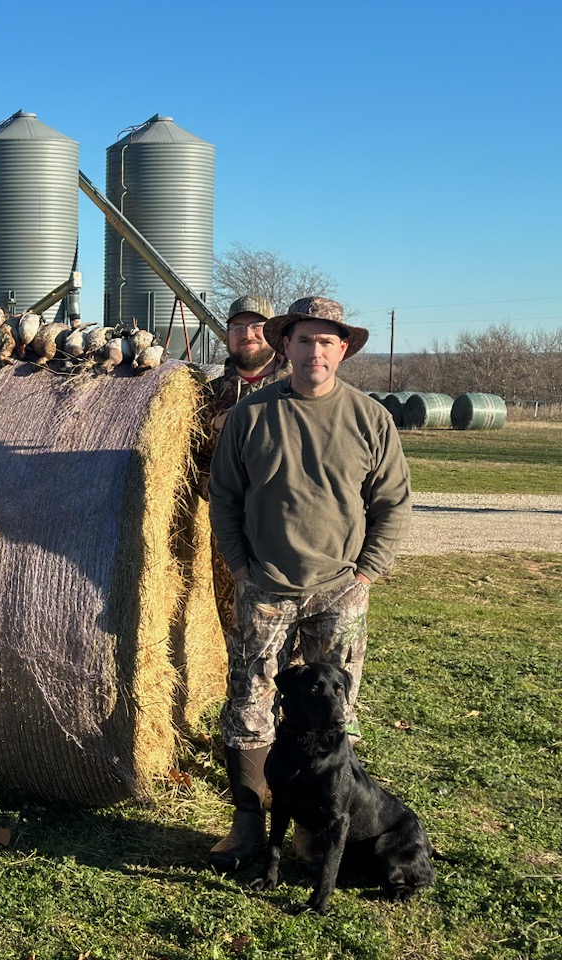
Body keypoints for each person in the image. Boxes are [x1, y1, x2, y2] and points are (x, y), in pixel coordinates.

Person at [207, 296, 411, 873]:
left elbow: (392, 503)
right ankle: (247, 827)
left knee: (332, 711)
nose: (314, 351)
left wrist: (366, 572)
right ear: (284, 346)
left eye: (326, 341)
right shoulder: (251, 416)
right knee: (250, 703)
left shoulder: (370, 419)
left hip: (339, 589)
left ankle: (318, 832)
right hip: (266, 584)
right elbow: (224, 496)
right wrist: (240, 565)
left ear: (341, 350)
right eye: (303, 340)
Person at [199, 296, 291, 632]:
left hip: (290, 535)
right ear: (227, 335)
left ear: (274, 334)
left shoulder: (297, 389)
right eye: (238, 327)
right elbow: (195, 464)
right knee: (235, 632)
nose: (247, 334)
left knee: (293, 638)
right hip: (231, 539)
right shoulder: (205, 396)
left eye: (256, 326)